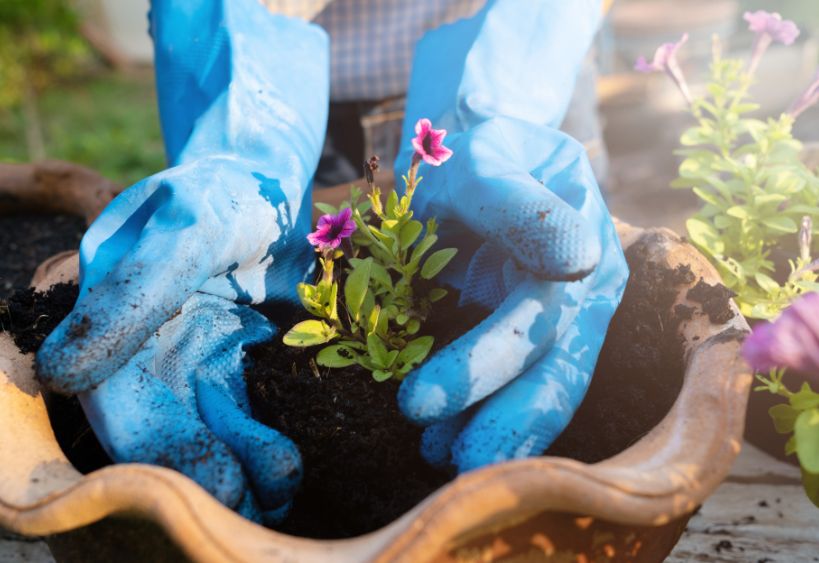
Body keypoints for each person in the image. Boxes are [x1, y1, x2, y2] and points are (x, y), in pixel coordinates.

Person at [36, 0, 628, 523]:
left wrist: (502, 101)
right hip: (279, 89)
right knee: (253, 247)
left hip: (527, 70)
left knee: (532, 253)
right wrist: (242, 141)